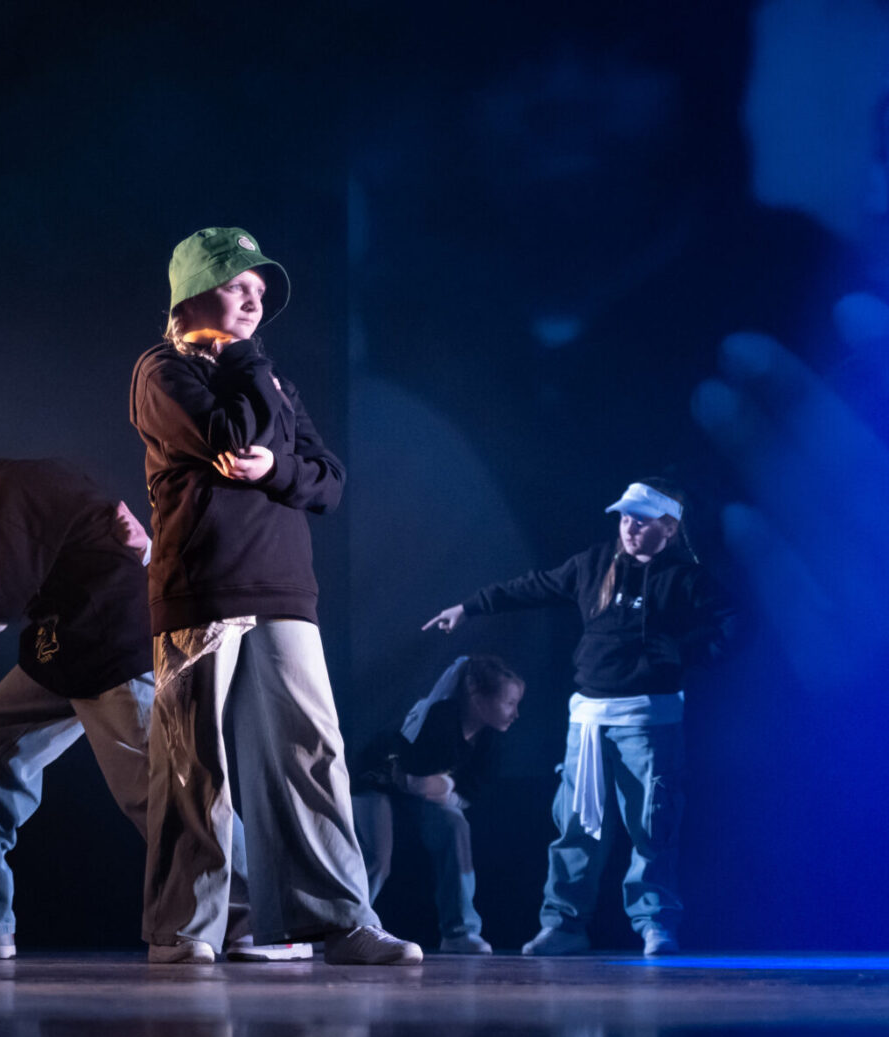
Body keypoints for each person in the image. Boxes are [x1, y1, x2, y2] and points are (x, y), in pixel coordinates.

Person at [0, 419, 290, 961]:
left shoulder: (6, 494)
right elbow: (121, 535)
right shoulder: (23, 483)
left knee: (165, 790)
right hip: (66, 652)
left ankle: (263, 922)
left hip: (110, 652)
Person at [129, 226, 421, 965]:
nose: (255, 300)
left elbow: (328, 479)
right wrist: (247, 371)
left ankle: (337, 921)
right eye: (238, 285)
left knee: (311, 751)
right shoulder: (162, 370)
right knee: (195, 762)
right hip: (203, 585)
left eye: (261, 290)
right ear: (193, 294)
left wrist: (275, 470)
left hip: (285, 586)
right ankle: (185, 928)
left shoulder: (270, 379)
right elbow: (227, 434)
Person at [423, 480, 738, 956]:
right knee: (576, 825)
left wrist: (682, 653)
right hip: (588, 720)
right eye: (625, 518)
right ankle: (566, 924)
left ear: (669, 528)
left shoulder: (684, 578)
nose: (630, 528)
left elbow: (731, 623)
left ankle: (655, 922)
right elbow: (532, 586)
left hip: (648, 723)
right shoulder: (594, 565)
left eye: (642, 521)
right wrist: (469, 608)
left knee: (653, 827)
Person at [350, 655, 524, 954]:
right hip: (375, 784)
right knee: (378, 857)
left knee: (455, 825)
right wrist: (438, 786)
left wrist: (444, 787)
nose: (515, 713)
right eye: (509, 703)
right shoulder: (439, 719)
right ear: (477, 696)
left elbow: (470, 790)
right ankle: (347, 925)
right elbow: (414, 780)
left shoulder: (490, 737)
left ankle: (459, 931)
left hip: (415, 794)